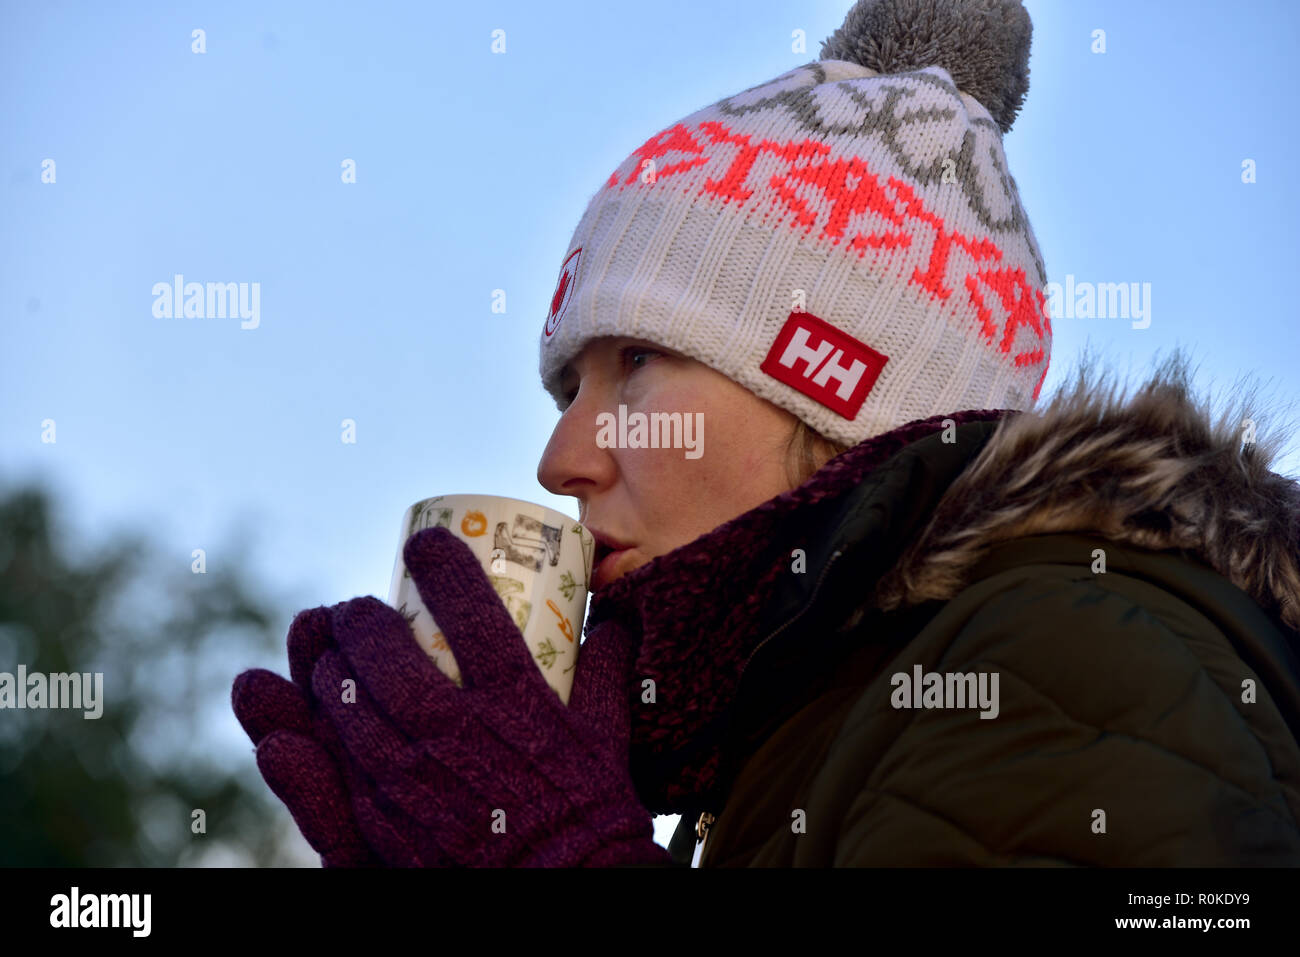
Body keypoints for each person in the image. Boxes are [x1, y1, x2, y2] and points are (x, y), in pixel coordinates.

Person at [232, 0, 1300, 866]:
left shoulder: (1064, 657)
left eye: (638, 363)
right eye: (567, 391)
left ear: (836, 387)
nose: (560, 461)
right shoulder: (798, 731)